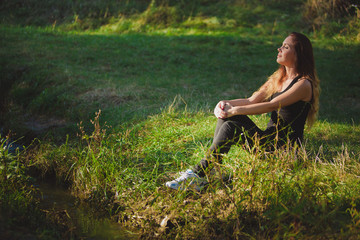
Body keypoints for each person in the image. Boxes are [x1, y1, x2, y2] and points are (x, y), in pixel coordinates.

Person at [165, 32, 320, 191]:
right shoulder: (279, 78)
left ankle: (200, 173)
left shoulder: (303, 84)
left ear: (298, 54)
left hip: (282, 150)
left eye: (286, 47)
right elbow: (251, 101)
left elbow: (271, 105)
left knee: (231, 124)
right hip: (268, 139)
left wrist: (236, 110)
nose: (279, 49)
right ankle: (206, 173)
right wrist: (225, 104)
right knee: (227, 117)